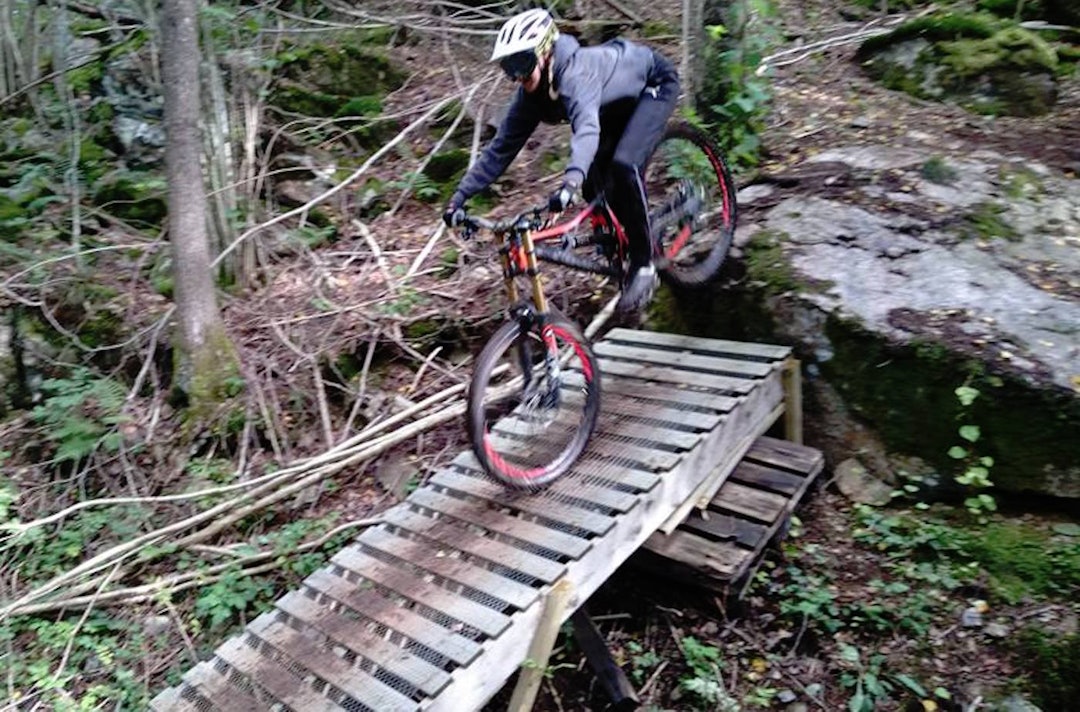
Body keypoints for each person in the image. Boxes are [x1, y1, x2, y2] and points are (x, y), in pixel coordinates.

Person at [442, 8, 680, 313]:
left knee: (624, 164)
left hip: (653, 84)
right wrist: (459, 198)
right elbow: (500, 149)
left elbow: (587, 129)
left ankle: (644, 264)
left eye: (522, 63)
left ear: (544, 53)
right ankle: (624, 244)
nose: (517, 76)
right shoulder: (531, 96)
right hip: (612, 107)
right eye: (508, 68)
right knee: (594, 188)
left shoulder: (575, 73)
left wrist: (570, 179)